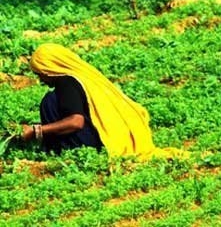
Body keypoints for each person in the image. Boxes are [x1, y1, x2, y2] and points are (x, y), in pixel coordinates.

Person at [22, 43, 186, 159]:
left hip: (92, 144)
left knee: (50, 100)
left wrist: (37, 130)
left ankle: (62, 151)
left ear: (50, 69)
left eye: (40, 74)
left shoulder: (65, 82)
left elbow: (76, 122)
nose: (40, 79)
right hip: (104, 137)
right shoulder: (84, 77)